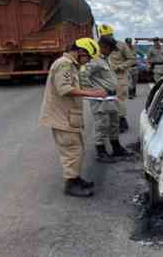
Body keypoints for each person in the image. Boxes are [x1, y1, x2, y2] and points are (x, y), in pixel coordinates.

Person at [39, 38, 107, 198]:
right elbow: (64, 89)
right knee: (72, 150)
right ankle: (71, 184)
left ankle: (75, 179)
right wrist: (93, 93)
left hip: (67, 116)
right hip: (61, 117)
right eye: (88, 57)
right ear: (81, 51)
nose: (88, 61)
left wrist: (91, 91)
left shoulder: (70, 65)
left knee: (76, 148)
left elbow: (73, 87)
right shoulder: (64, 64)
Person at [81, 35, 131, 163]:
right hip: (101, 99)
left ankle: (116, 147)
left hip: (111, 97)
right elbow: (83, 74)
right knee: (101, 125)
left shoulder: (105, 59)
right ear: (103, 47)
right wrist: (93, 91)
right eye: (110, 48)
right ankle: (101, 151)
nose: (112, 51)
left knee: (114, 123)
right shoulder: (95, 60)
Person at [107, 29, 136, 133]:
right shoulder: (101, 46)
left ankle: (122, 121)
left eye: (108, 35)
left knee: (120, 100)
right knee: (109, 101)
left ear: (111, 35)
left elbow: (132, 59)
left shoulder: (121, 45)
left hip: (120, 76)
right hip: (107, 78)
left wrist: (121, 66)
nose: (106, 37)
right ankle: (113, 122)